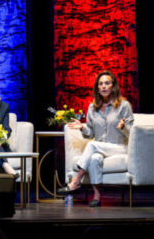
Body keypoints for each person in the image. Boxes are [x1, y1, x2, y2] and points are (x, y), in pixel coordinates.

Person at [57, 70, 134, 207]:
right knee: (94, 158)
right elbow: (91, 133)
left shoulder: (124, 106)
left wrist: (123, 127)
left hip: (118, 147)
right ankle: (97, 197)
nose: (104, 86)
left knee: (92, 146)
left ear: (113, 86)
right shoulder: (92, 108)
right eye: (101, 84)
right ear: (97, 88)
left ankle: (76, 181)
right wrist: (82, 127)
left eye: (107, 83)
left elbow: (132, 133)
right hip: (100, 148)